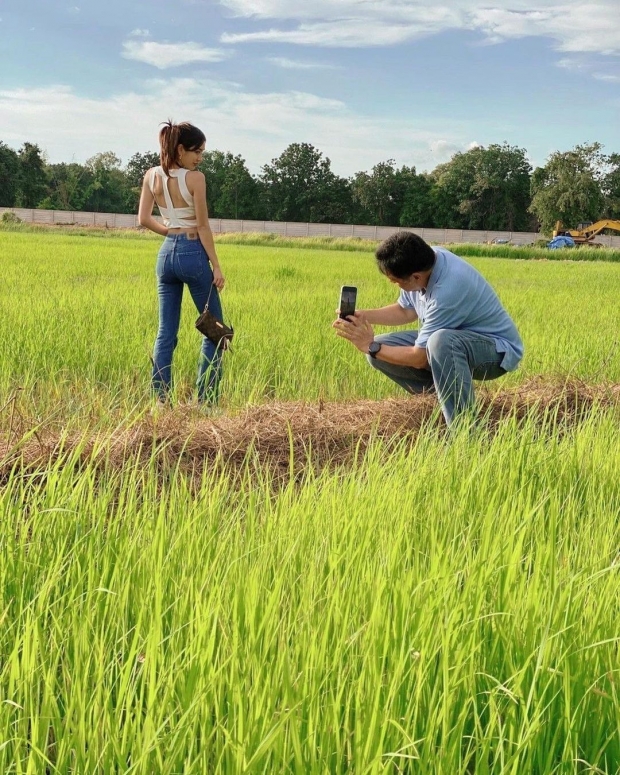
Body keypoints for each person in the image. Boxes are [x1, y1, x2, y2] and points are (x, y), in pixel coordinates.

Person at [333, 232, 523, 426]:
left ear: (415, 276)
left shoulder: (448, 288)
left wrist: (370, 346)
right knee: (384, 348)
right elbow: (405, 311)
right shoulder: (425, 262)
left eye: (396, 281)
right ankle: (441, 403)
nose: (394, 284)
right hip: (458, 340)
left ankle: (465, 430)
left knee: (438, 342)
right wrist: (362, 316)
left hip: (494, 352)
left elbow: (420, 357)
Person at [138, 120, 226, 405]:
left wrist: (170, 233)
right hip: (193, 254)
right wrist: (216, 265)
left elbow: (143, 219)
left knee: (166, 332)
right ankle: (206, 402)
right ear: (179, 149)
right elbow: (202, 226)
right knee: (216, 330)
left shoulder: (151, 176)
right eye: (196, 151)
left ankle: (160, 402)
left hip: (165, 256)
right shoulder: (195, 178)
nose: (199, 157)